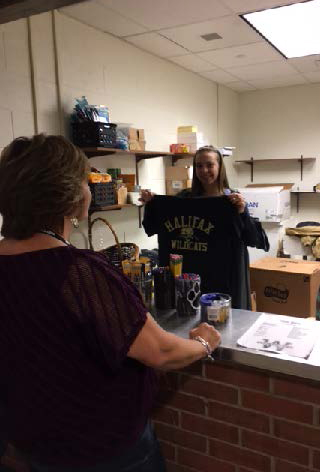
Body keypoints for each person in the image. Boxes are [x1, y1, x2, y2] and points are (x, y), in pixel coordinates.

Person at [0, 134, 221, 471]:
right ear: (68, 195)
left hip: (32, 443)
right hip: (102, 450)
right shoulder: (78, 272)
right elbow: (161, 352)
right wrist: (205, 342)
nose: (89, 189)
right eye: (84, 181)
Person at [141, 145, 269, 309]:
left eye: (209, 165)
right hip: (189, 282)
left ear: (220, 167)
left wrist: (242, 212)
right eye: (199, 166)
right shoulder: (184, 198)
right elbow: (151, 227)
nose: (204, 170)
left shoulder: (232, 200)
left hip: (224, 281)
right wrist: (151, 204)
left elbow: (254, 239)